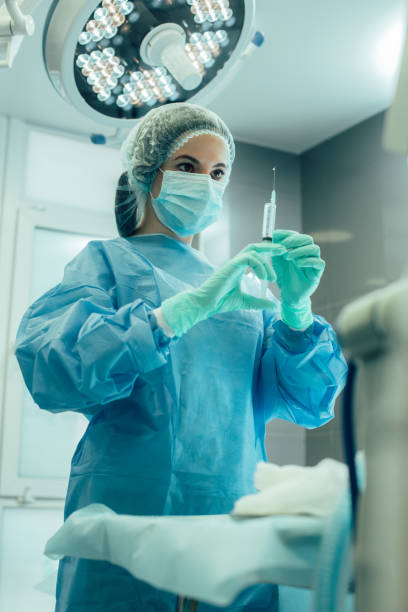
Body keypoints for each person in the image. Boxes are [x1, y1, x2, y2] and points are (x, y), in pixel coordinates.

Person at [15, 103, 347, 611]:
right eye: (188, 167)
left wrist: (297, 315)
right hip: (129, 517)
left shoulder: (244, 290)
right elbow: (52, 366)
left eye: (218, 173)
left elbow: (309, 404)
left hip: (234, 526)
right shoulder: (106, 263)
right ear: (147, 176)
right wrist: (171, 317)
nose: (206, 183)